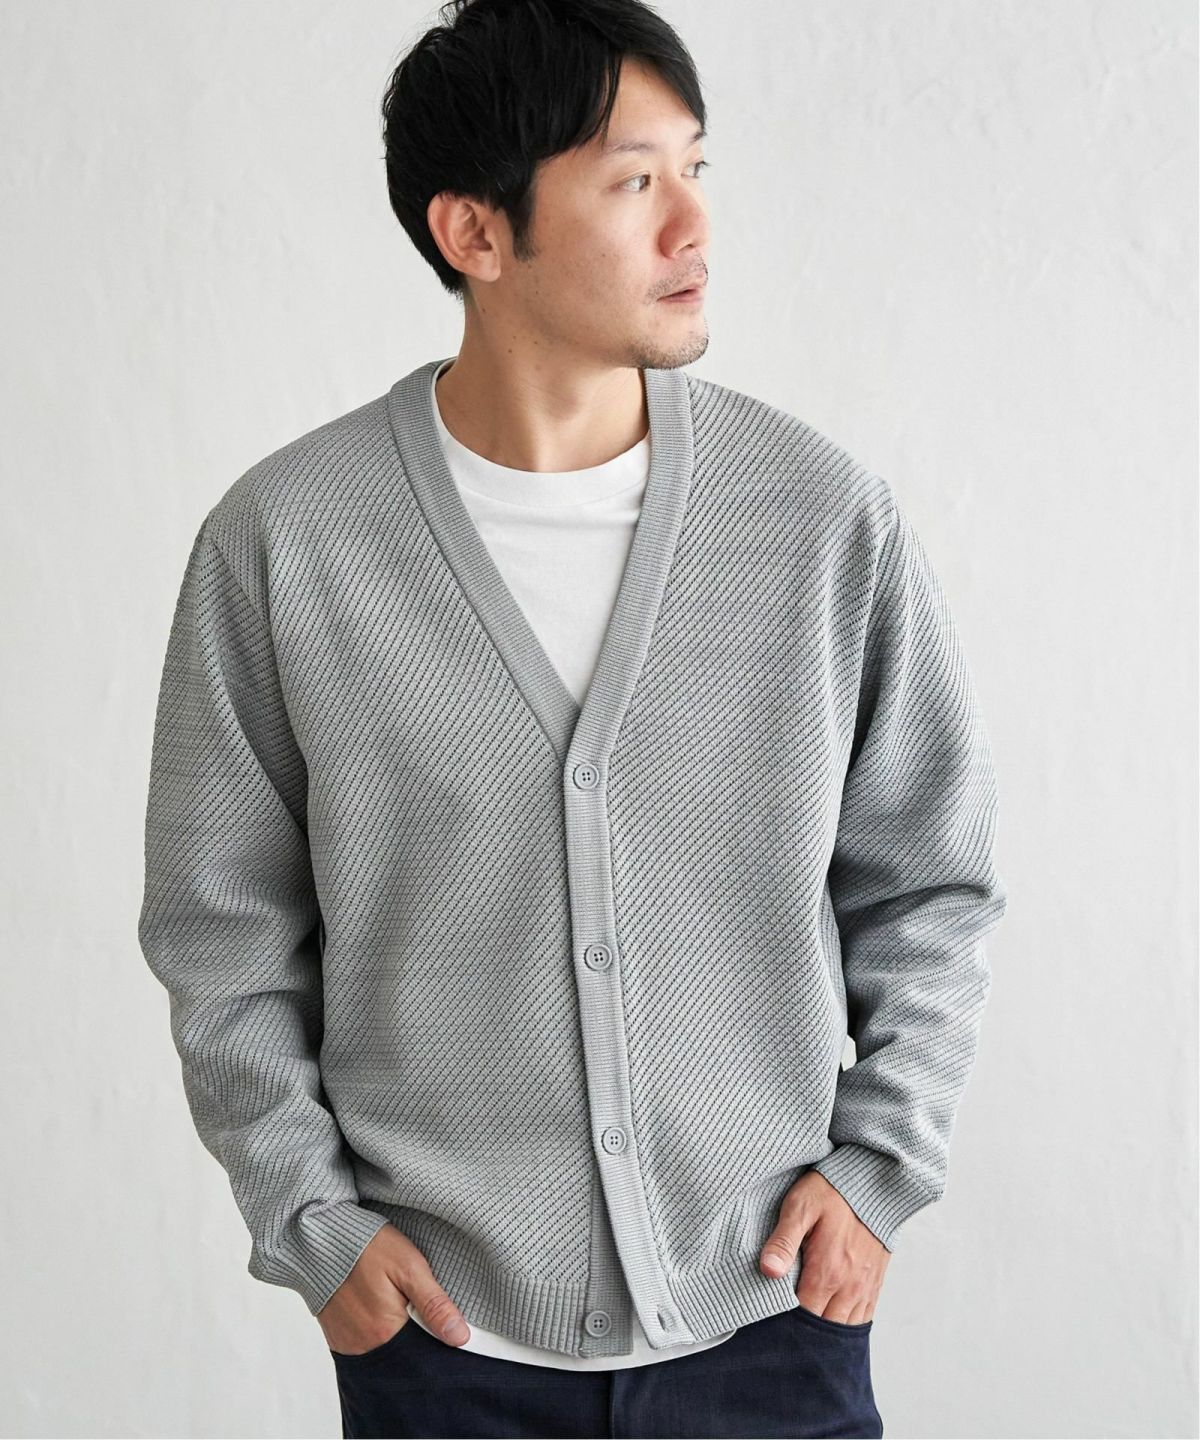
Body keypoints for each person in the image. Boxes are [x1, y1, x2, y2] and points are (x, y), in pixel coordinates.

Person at [137, 1, 1008, 1435]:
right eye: (633, 181)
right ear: (476, 234)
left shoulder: (817, 521)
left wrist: (879, 1172)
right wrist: (311, 1222)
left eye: (696, 170)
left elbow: (931, 883)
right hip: (443, 1349)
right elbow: (219, 928)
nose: (693, 227)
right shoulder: (287, 544)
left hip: (768, 1320)